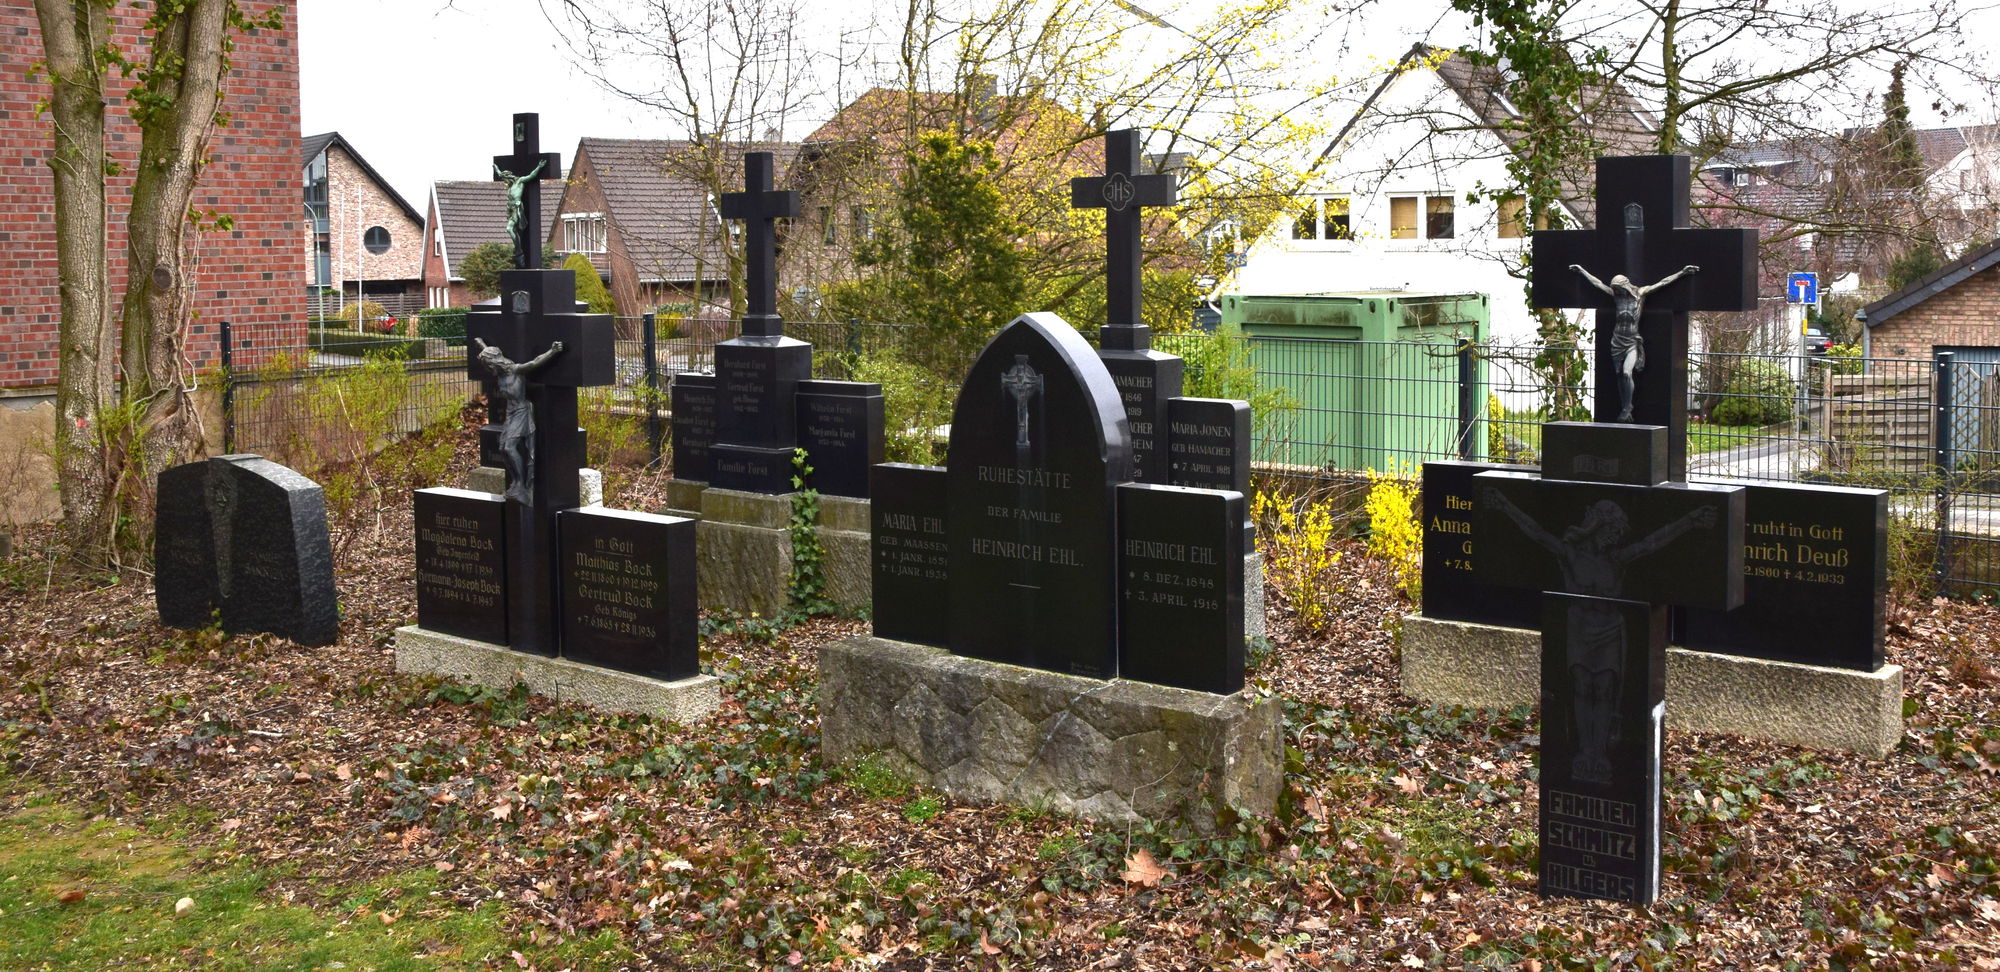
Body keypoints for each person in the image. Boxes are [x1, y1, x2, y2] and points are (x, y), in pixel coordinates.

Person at [1479, 488, 1717, 783]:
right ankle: (1585, 750)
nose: (1615, 537)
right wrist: (1504, 504)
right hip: (1579, 627)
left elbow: (1651, 543)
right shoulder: (1571, 554)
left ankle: (1599, 753)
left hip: (1608, 629)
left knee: (1604, 688)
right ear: (1597, 526)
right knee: (1582, 687)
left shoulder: (1616, 559)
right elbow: (1537, 533)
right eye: (1612, 530)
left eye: (1617, 532)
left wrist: (1689, 520)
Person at [1569, 263, 1699, 421]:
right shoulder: (1616, 296)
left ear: (1625, 285)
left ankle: (1627, 407)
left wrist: (1682, 273)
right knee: (1619, 375)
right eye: (1614, 289)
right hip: (1617, 340)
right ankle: (1625, 407)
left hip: (1631, 341)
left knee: (1626, 372)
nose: (1616, 291)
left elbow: (1663, 283)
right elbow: (1597, 283)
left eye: (1618, 288)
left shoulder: (1640, 293)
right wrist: (1582, 270)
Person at [472, 337, 564, 504]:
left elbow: (534, 363)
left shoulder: (515, 370)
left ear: (496, 362)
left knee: (509, 447)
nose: (488, 369)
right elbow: (489, 354)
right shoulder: (499, 373)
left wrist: (553, 351)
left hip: (521, 411)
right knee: (503, 449)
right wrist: (481, 344)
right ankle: (516, 482)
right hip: (510, 413)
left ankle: (521, 484)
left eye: (489, 365)